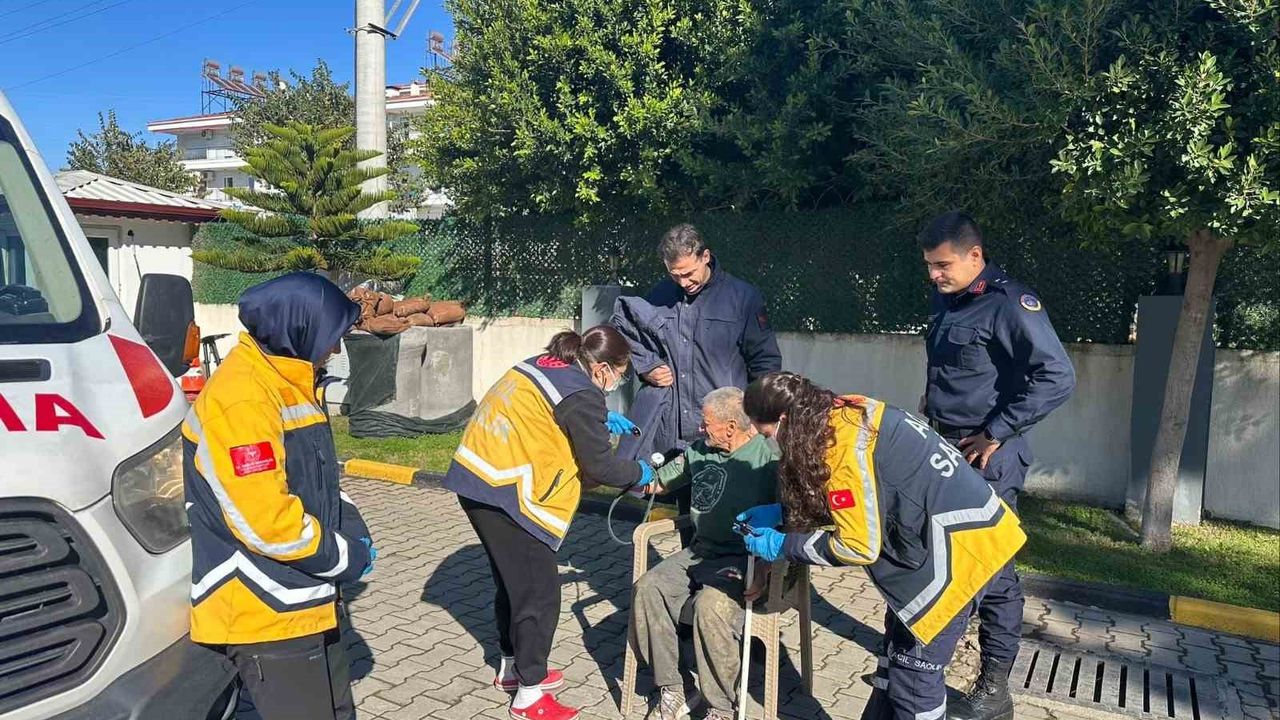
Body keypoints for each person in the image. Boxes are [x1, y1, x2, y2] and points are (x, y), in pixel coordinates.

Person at [736, 372, 1027, 720]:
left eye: (767, 434)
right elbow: (867, 496)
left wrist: (783, 544)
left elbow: (858, 546)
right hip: (981, 532)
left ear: (784, 421)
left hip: (955, 561)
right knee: (893, 667)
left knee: (913, 682)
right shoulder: (846, 411)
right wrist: (785, 512)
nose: (770, 444)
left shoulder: (840, 449)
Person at [184, 272, 375, 720]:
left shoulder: (291, 380)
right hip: (265, 608)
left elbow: (318, 479)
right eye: (332, 336)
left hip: (305, 594)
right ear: (300, 330)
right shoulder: (244, 399)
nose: (336, 349)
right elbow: (266, 521)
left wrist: (352, 527)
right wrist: (343, 556)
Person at [442, 325, 653, 720]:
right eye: (621, 375)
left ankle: (512, 669)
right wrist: (639, 472)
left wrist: (599, 418)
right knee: (539, 595)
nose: (618, 383)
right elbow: (601, 468)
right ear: (602, 368)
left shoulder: (549, 362)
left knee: (514, 585)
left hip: (477, 479)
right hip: (507, 492)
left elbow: (553, 409)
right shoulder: (582, 395)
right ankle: (529, 694)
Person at [916, 211, 1075, 720]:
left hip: (988, 458)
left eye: (943, 265)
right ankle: (924, 664)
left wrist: (998, 431)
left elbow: (1057, 375)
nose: (934, 275)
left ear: (975, 256)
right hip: (944, 450)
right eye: (929, 265)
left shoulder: (1009, 303)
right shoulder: (948, 300)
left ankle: (993, 686)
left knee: (990, 568)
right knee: (946, 557)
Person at [612, 223, 782, 539]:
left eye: (689, 273)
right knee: (689, 516)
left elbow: (766, 363)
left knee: (732, 516)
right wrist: (646, 367)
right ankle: (691, 565)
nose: (683, 282)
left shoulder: (742, 297)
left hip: (725, 434)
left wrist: (758, 420)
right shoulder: (660, 295)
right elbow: (632, 335)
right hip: (676, 433)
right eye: (675, 275)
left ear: (705, 256)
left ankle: (733, 569)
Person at [631, 387, 779, 720]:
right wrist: (617, 471)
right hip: (700, 551)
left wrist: (766, 568)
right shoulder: (699, 451)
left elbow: (791, 520)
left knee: (709, 606)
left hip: (746, 557)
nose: (700, 428)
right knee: (648, 588)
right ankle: (673, 687)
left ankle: (720, 707)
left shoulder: (768, 457)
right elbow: (658, 483)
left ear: (730, 426)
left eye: (706, 422)